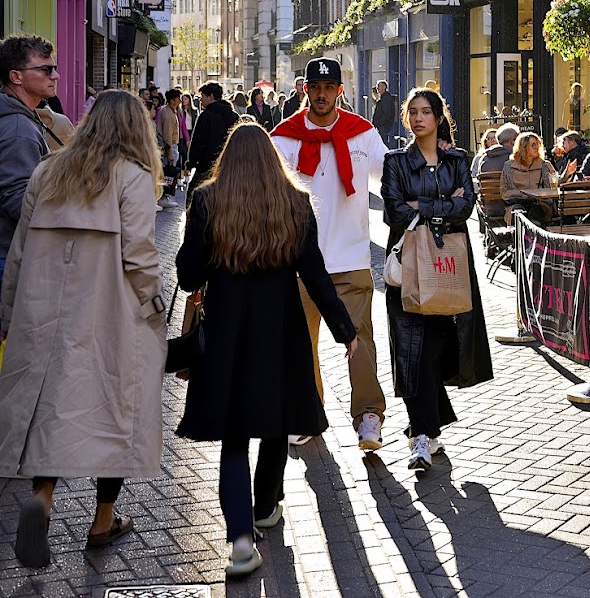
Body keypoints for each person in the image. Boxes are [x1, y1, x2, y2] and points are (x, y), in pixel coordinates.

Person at [175, 122, 359, 577]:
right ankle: (265, 506)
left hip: (224, 331)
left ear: (228, 161)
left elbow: (187, 275)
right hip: (280, 328)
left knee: (234, 436)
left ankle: (240, 540)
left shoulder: (207, 201)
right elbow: (315, 274)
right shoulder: (295, 203)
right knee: (279, 418)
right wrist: (345, 329)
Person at [0, 90, 166, 568]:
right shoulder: (132, 178)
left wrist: (9, 310)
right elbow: (140, 258)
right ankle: (102, 519)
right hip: (107, 315)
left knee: (51, 409)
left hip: (43, 312)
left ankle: (43, 500)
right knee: (116, 411)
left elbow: (18, 250)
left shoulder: (47, 171)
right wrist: (156, 312)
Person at [271, 57, 389, 451]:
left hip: (352, 257)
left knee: (361, 341)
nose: (322, 94)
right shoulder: (284, 138)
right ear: (305, 90)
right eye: (315, 88)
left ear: (340, 91)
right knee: (301, 345)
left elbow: (388, 175)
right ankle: (308, 413)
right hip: (300, 264)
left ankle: (369, 416)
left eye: (329, 87)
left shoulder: (363, 134)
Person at [380, 89, 494, 470]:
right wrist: (441, 205)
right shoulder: (395, 161)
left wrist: (421, 206)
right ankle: (420, 437)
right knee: (411, 352)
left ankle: (429, 430)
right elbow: (394, 212)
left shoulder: (457, 159)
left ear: (439, 117)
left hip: (446, 268)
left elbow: (466, 207)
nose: (417, 119)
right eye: (411, 112)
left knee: (435, 352)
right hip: (408, 271)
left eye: (425, 112)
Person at [0, 33, 57, 284]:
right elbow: (18, 201)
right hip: (9, 254)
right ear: (16, 76)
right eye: (46, 69)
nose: (55, 75)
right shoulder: (17, 129)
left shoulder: (21, 119)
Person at [186, 82, 241, 199]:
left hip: (207, 165)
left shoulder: (206, 116)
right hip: (228, 165)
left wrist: (191, 162)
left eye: (203, 96)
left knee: (195, 195)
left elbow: (198, 141)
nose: (200, 100)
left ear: (211, 97)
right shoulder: (234, 116)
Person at [500, 130, 558, 223]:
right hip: (517, 203)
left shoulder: (544, 165)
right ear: (524, 147)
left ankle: (530, 237)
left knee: (535, 213)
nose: (537, 148)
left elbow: (551, 188)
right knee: (518, 213)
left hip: (539, 204)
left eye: (538, 144)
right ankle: (524, 236)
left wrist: (567, 174)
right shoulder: (509, 166)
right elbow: (504, 192)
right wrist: (523, 194)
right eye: (533, 145)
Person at [157, 89, 183, 209]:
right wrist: (170, 152)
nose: (180, 100)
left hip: (171, 145)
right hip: (169, 146)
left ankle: (163, 196)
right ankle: (163, 197)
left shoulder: (171, 111)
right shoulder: (167, 114)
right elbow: (167, 134)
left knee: (167, 173)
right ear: (172, 100)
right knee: (167, 173)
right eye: (178, 98)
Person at [371, 79, 398, 149]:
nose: (377, 89)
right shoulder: (383, 99)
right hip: (382, 124)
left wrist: (379, 122)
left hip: (383, 125)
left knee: (383, 142)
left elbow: (386, 113)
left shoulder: (386, 99)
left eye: (378, 87)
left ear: (383, 87)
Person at [178, 92, 197, 169]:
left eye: (185, 99)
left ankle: (188, 168)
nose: (184, 100)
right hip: (183, 133)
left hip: (191, 131)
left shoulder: (194, 111)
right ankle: (184, 168)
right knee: (184, 152)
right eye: (182, 99)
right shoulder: (180, 111)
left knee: (191, 151)